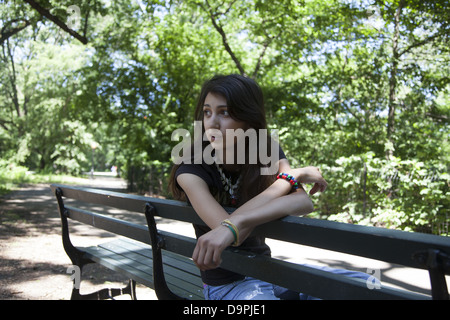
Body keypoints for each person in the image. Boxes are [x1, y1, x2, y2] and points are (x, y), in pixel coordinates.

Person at [169, 74, 365, 300]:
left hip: (269, 273)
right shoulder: (192, 168)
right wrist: (295, 175)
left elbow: (302, 202)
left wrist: (239, 220)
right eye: (207, 112)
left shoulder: (265, 151)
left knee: (362, 285)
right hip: (227, 286)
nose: (212, 123)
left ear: (248, 119)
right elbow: (232, 234)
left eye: (224, 112)